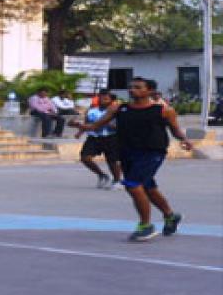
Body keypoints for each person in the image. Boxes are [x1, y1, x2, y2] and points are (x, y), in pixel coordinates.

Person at [72, 78, 193, 241]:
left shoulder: (164, 110)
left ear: (149, 91)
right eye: (130, 87)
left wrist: (184, 139)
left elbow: (175, 130)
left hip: (152, 152)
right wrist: (79, 126)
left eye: (137, 87)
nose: (132, 90)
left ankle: (146, 225)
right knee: (148, 187)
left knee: (133, 185)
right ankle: (170, 216)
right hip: (127, 152)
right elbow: (96, 126)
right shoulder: (119, 108)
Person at [74, 89, 122, 189]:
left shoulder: (115, 111)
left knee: (112, 161)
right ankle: (102, 175)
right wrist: (80, 131)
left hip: (110, 137)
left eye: (105, 98)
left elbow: (119, 126)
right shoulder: (91, 111)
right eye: (100, 97)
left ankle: (117, 180)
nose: (102, 99)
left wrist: (107, 124)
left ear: (111, 100)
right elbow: (87, 123)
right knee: (85, 158)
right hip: (94, 137)